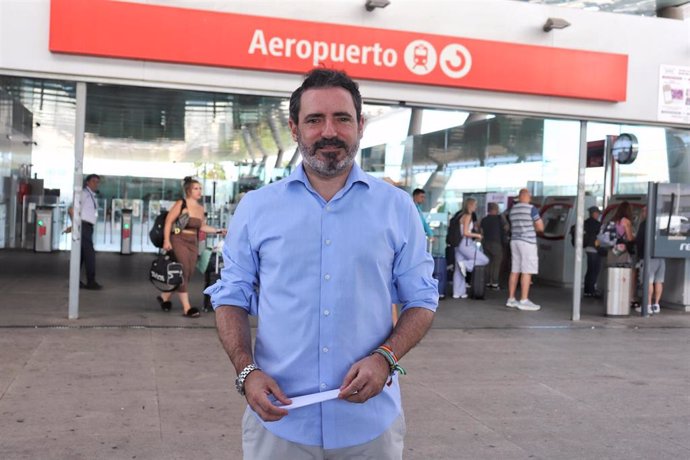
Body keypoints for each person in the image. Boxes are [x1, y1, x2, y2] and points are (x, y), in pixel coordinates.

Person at [205, 69, 438, 459]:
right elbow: (231, 296)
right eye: (315, 119)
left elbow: (422, 300)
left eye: (342, 118)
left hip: (369, 425)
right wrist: (246, 371)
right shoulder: (257, 208)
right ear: (295, 129)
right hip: (279, 423)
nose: (329, 131)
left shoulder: (397, 208)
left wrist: (386, 358)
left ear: (360, 126)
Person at [158, 176, 226, 318]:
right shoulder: (181, 204)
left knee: (188, 272)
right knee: (183, 270)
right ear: (188, 191)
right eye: (196, 188)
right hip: (178, 238)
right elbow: (169, 222)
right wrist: (166, 240)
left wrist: (218, 231)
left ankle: (164, 297)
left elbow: (202, 226)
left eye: (200, 188)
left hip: (192, 241)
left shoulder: (201, 208)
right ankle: (187, 308)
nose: (199, 191)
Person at [506, 188, 544, 311]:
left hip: (515, 240)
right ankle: (524, 300)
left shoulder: (513, 209)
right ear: (527, 197)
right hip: (527, 242)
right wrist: (535, 227)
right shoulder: (531, 209)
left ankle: (511, 299)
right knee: (527, 270)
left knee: (515, 270)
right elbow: (540, 227)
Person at [68, 174, 102, 290]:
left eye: (97, 182)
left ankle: (74, 281)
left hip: (88, 227)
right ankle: (91, 282)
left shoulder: (92, 195)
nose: (96, 184)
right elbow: (71, 209)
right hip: (83, 227)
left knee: (81, 256)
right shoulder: (83, 194)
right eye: (93, 181)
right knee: (90, 255)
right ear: (87, 182)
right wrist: (75, 225)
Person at [452, 198, 489, 299]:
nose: (476, 207)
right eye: (475, 205)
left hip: (458, 244)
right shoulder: (468, 216)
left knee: (458, 270)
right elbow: (465, 232)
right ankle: (466, 264)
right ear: (470, 205)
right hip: (466, 243)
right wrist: (477, 235)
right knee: (484, 259)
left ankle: (458, 292)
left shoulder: (460, 216)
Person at [635, 208, 664, 315]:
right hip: (660, 256)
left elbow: (639, 240)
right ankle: (656, 305)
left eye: (643, 211)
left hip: (648, 257)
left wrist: (639, 255)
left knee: (648, 281)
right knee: (659, 281)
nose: (642, 213)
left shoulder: (645, 224)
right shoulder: (659, 223)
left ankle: (647, 305)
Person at [480, 202, 507, 290]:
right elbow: (506, 228)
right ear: (496, 209)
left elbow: (481, 231)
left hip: (485, 243)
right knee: (496, 263)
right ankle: (494, 283)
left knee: (488, 263)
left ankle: (487, 282)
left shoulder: (484, 220)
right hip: (496, 243)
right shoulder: (499, 219)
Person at [583, 206, 604, 297]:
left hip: (588, 248)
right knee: (595, 270)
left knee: (590, 270)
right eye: (597, 213)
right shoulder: (597, 224)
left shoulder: (585, 223)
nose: (598, 215)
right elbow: (599, 237)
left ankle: (587, 290)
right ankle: (591, 290)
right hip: (595, 249)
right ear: (594, 213)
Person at [608, 200, 635, 267]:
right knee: (622, 273)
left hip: (611, 250)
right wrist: (634, 237)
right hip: (621, 251)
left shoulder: (613, 220)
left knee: (612, 273)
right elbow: (629, 238)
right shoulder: (626, 221)